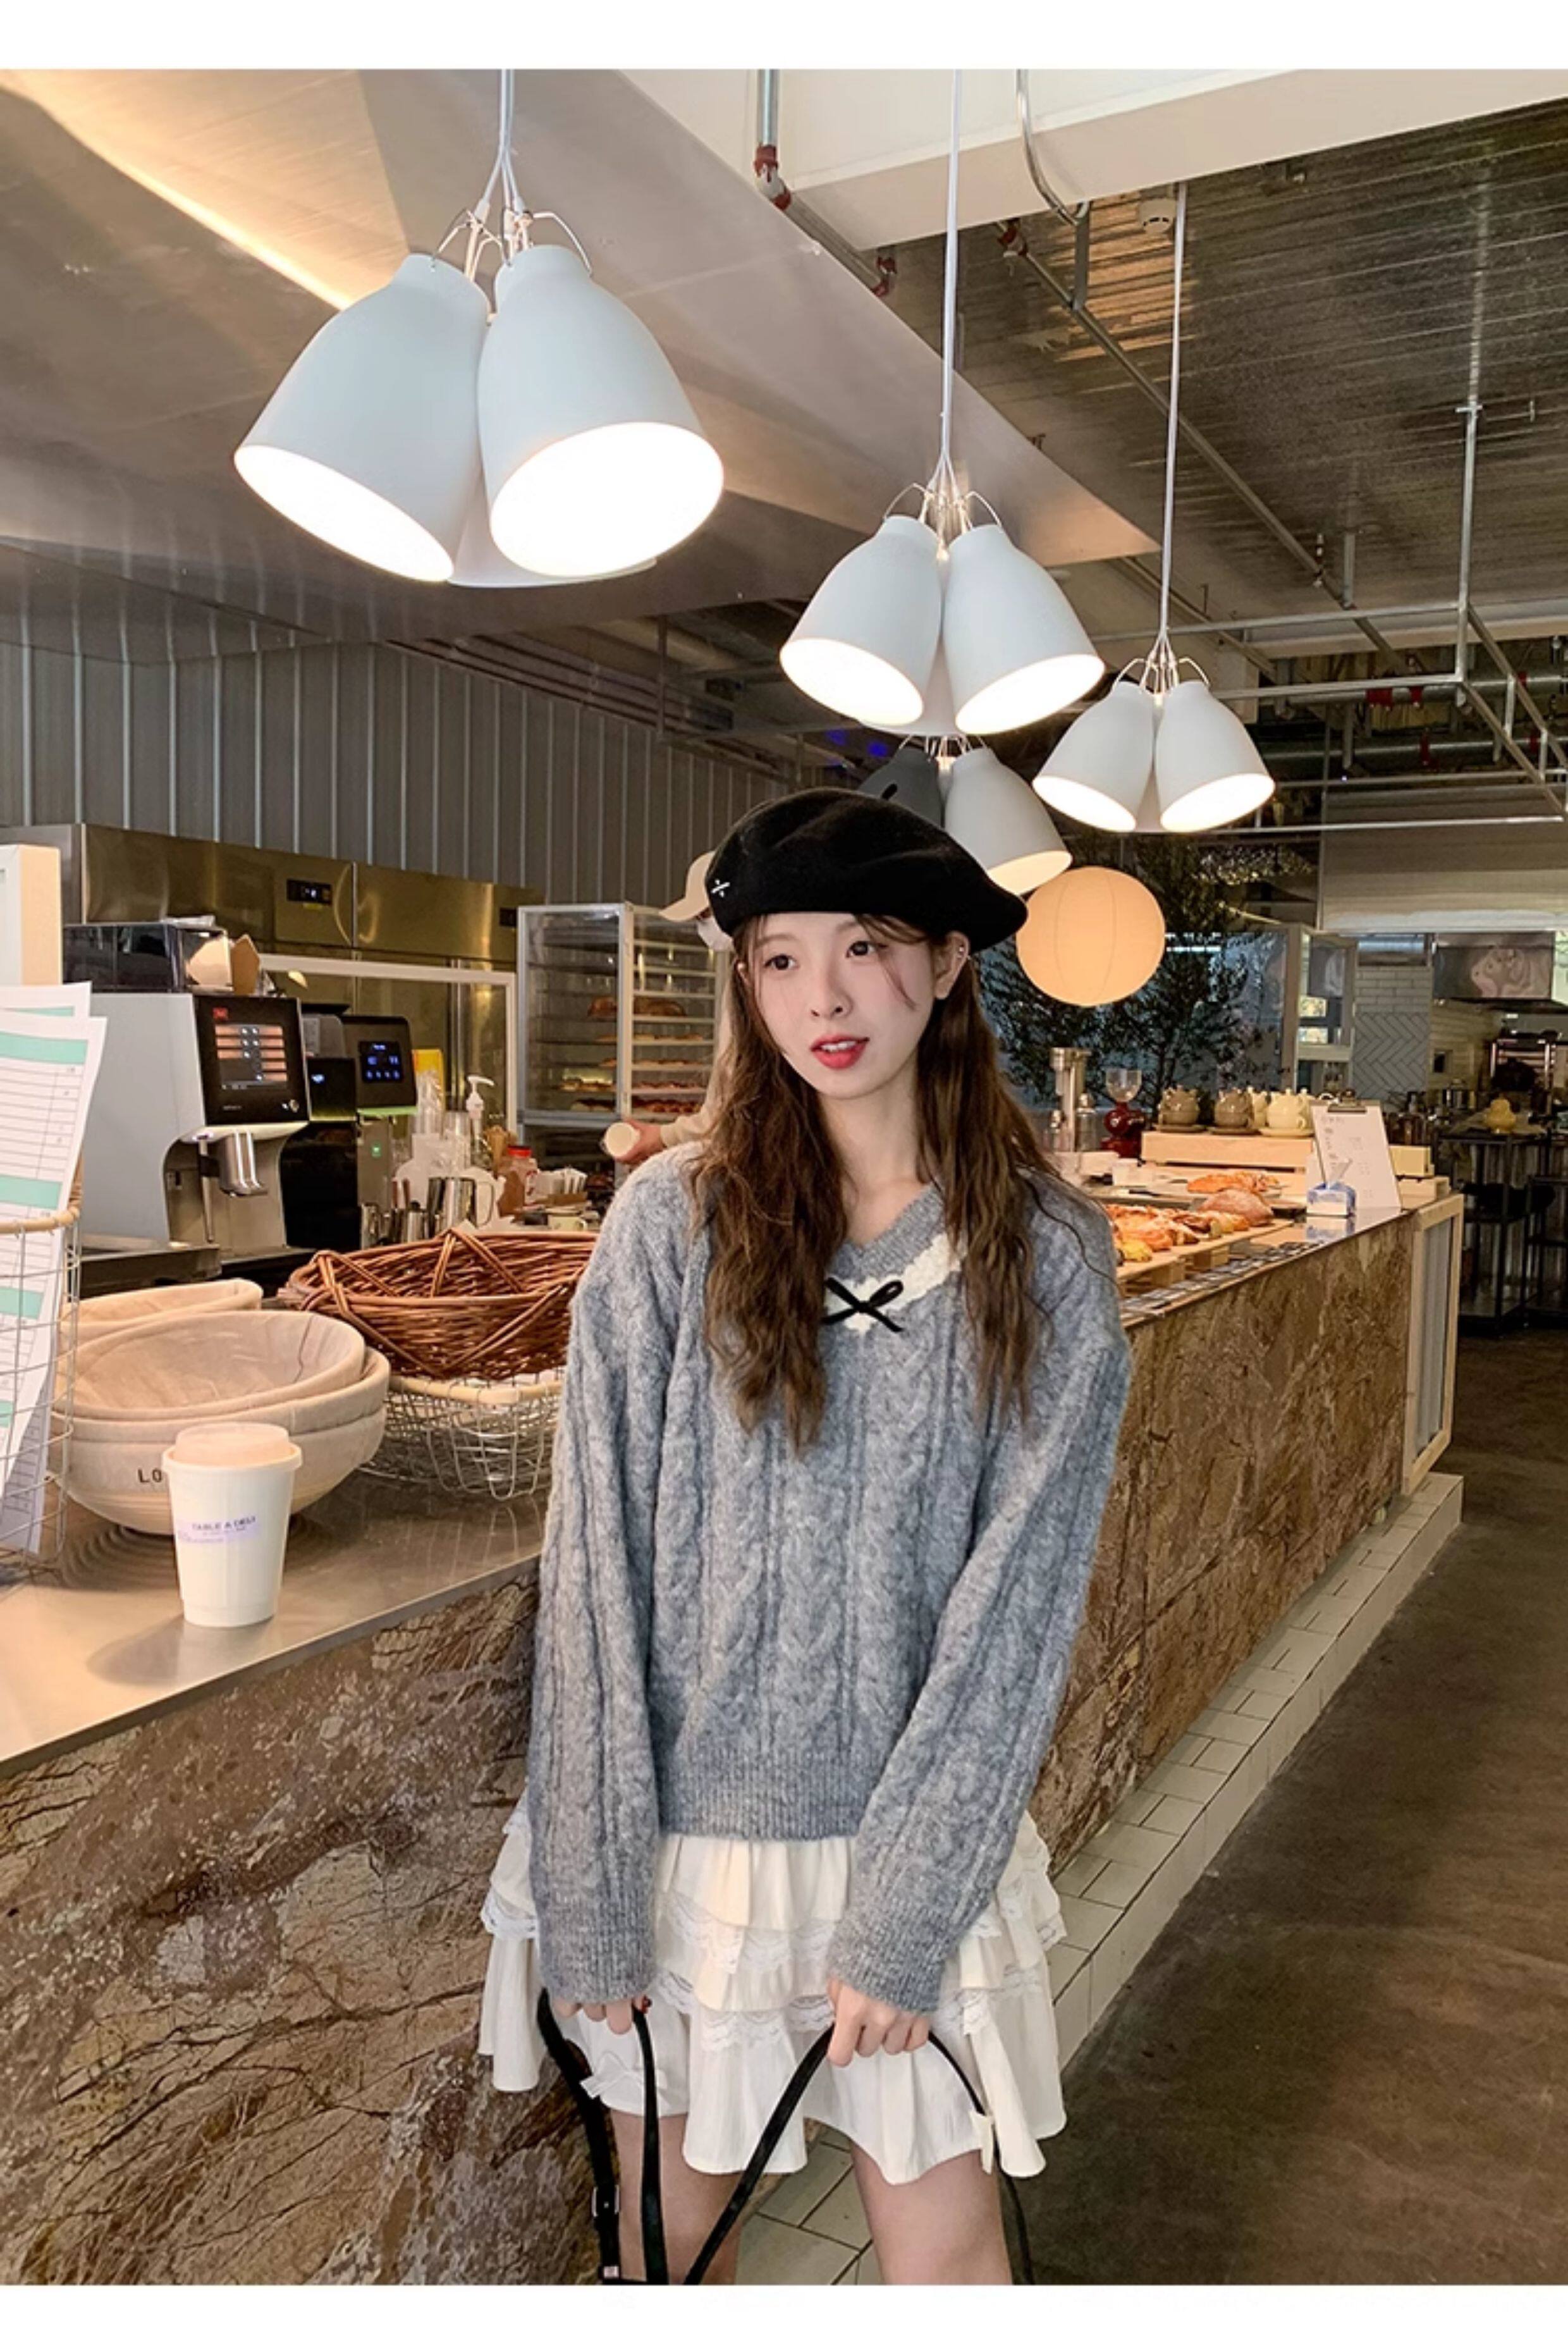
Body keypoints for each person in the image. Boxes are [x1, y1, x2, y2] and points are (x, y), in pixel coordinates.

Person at [479, 787, 1132, 2284]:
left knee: (942, 2257)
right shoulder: (670, 1224)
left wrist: (904, 1913)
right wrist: (592, 1885)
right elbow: (595, 1572)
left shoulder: (1045, 1255)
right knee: (671, 2246)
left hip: (908, 1837)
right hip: (682, 1853)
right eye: (779, 958)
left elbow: (1017, 1611)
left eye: (866, 947)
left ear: (948, 962)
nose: (823, 998)